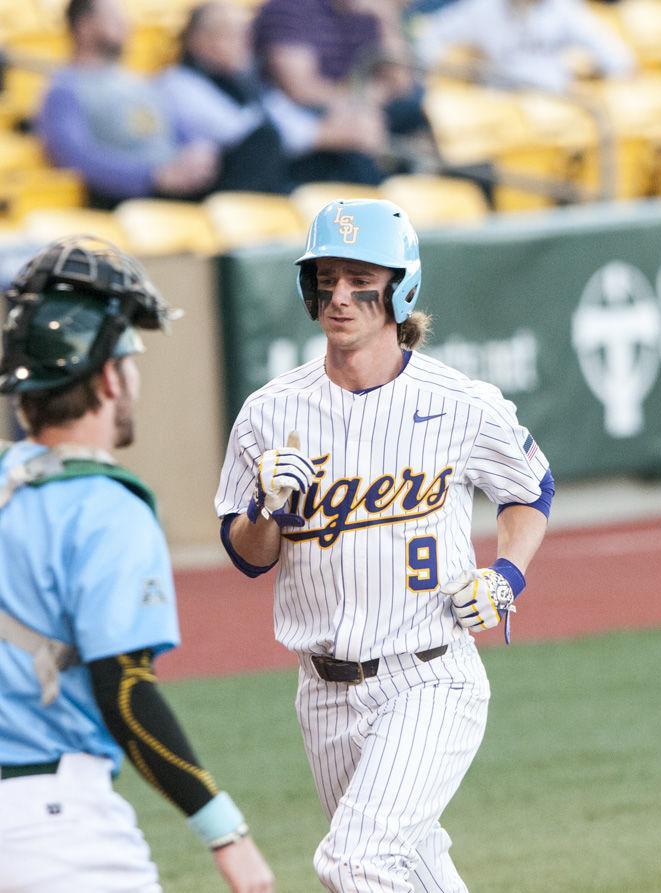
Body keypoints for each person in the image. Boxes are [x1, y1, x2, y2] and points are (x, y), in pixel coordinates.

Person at [214, 198, 554, 892]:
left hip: (429, 675)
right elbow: (249, 553)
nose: (339, 295)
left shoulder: (462, 402)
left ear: (400, 286)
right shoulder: (269, 412)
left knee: (355, 862)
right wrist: (265, 505)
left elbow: (529, 490)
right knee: (415, 869)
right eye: (326, 276)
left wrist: (507, 575)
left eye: (359, 276)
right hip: (323, 689)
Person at [0, 236, 274, 893]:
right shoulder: (105, 505)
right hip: (58, 833)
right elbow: (124, 688)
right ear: (106, 376)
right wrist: (225, 830)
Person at [156, 1, 390, 191]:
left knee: (350, 159)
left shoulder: (248, 81)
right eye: (227, 34)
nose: (241, 43)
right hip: (214, 183)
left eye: (244, 35)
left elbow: (283, 115)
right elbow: (242, 132)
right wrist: (325, 135)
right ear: (197, 39)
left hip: (271, 172)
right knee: (266, 142)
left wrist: (343, 127)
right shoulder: (178, 84)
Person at [37, 0, 223, 208]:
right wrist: (152, 177)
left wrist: (198, 149)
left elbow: (178, 130)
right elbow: (76, 159)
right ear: (84, 25)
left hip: (185, 187)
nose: (125, 23)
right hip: (130, 201)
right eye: (112, 16)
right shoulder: (65, 90)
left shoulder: (141, 82)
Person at [253, 0, 432, 182]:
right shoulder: (290, 7)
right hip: (293, 117)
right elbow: (299, 89)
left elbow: (401, 84)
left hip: (352, 108)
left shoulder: (367, 13)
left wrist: (386, 18)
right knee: (361, 150)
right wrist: (355, 104)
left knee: (412, 110)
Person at [413, 0, 636, 93]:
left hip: (557, 99)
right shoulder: (482, 8)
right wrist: (448, 72)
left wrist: (614, 71)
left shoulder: (562, 7)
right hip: (503, 102)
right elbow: (430, 36)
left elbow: (610, 51)